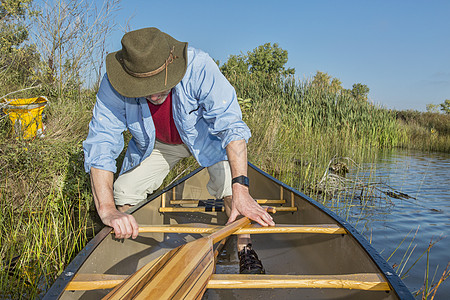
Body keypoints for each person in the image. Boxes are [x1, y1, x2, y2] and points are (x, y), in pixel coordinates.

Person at [83, 27, 274, 274]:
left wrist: (241, 188)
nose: (154, 94)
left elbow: (232, 127)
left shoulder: (200, 66)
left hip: (206, 139)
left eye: (159, 85)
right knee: (123, 192)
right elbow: (102, 140)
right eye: (144, 87)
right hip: (158, 145)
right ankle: (137, 253)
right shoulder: (114, 82)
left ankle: (244, 249)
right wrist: (107, 209)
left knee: (231, 190)